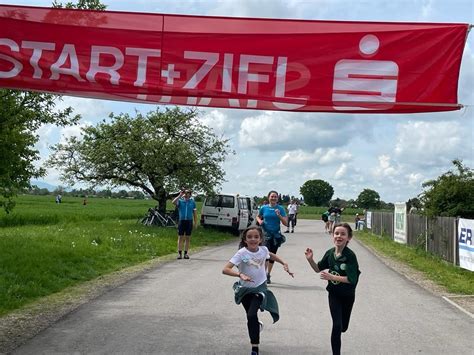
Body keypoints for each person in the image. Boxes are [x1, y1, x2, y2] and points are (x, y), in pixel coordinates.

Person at [222, 226, 294, 355]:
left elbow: (270, 255)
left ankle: (254, 348)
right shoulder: (241, 253)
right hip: (244, 290)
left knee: (251, 315)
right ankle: (256, 325)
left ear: (260, 239)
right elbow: (225, 269)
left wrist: (283, 262)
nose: (253, 239)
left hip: (260, 288)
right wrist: (240, 275)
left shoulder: (263, 250)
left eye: (256, 237)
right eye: (249, 237)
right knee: (251, 318)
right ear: (245, 239)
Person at [304, 223, 361, 355]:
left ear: (349, 238)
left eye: (343, 234)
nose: (339, 236)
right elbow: (318, 269)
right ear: (332, 235)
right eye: (336, 233)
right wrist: (310, 260)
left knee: (343, 327)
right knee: (336, 325)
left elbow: (352, 279)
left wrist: (330, 276)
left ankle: (342, 328)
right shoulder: (330, 253)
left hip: (348, 295)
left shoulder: (350, 256)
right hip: (334, 294)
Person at [256, 190, 288, 284]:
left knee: (271, 256)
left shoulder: (280, 208)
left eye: (275, 197)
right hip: (265, 235)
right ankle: (263, 276)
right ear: (268, 197)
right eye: (272, 196)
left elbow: (286, 223)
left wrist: (279, 216)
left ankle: (268, 274)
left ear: (277, 198)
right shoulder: (264, 207)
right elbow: (258, 216)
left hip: (275, 235)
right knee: (265, 254)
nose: (273, 198)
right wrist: (260, 221)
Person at [172, 189, 197, 259]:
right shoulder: (180, 201)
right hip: (182, 221)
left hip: (189, 221)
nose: (186, 194)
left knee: (187, 238)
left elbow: (194, 213)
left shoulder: (192, 202)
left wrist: (195, 222)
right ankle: (179, 253)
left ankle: (186, 253)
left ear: (190, 194)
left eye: (187, 193)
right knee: (180, 237)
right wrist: (179, 195)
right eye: (185, 193)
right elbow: (173, 202)